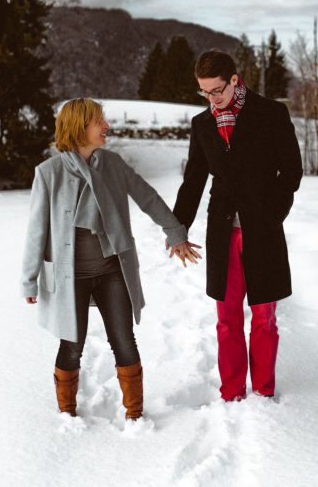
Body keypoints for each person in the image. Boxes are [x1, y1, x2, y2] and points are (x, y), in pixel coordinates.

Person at [21, 98, 201, 419]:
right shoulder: (49, 174)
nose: (106, 127)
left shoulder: (113, 165)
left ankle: (135, 414)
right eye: (99, 122)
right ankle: (67, 415)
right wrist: (30, 279)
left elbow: (147, 197)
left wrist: (176, 233)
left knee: (124, 340)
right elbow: (37, 231)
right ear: (79, 127)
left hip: (111, 269)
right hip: (69, 276)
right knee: (71, 346)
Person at [173, 50, 302, 401]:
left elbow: (291, 172)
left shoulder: (271, 113)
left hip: (263, 230)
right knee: (227, 319)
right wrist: (178, 226)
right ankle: (231, 392)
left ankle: (263, 391)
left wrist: (272, 214)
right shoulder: (202, 124)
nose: (212, 99)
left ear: (234, 80)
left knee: (264, 317)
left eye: (217, 90)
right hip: (222, 231)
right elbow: (194, 179)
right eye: (204, 93)